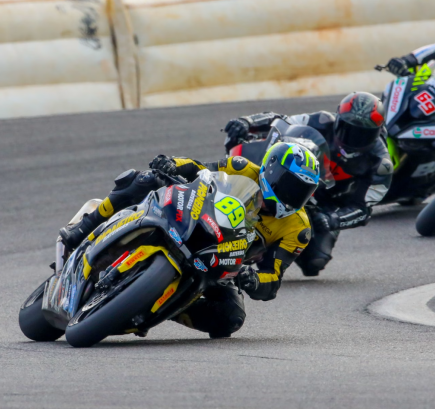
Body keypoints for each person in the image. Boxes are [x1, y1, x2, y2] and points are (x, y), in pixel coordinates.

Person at [59, 143, 319, 338]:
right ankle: (84, 228)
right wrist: (172, 163)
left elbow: (273, 278)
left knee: (231, 319)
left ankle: (157, 305)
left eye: (303, 192)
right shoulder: (241, 167)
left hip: (223, 264)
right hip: (192, 221)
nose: (294, 197)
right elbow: (199, 169)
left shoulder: (298, 229)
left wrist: (253, 280)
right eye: (291, 186)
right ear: (272, 171)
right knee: (144, 179)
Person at [223, 92, 393, 276]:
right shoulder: (321, 120)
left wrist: (332, 219)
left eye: (363, 134)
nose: (353, 139)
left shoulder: (381, 164)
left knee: (314, 263)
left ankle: (266, 258)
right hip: (294, 180)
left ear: (377, 132)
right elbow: (282, 121)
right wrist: (248, 122)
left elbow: (363, 210)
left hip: (325, 205)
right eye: (348, 129)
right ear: (338, 120)